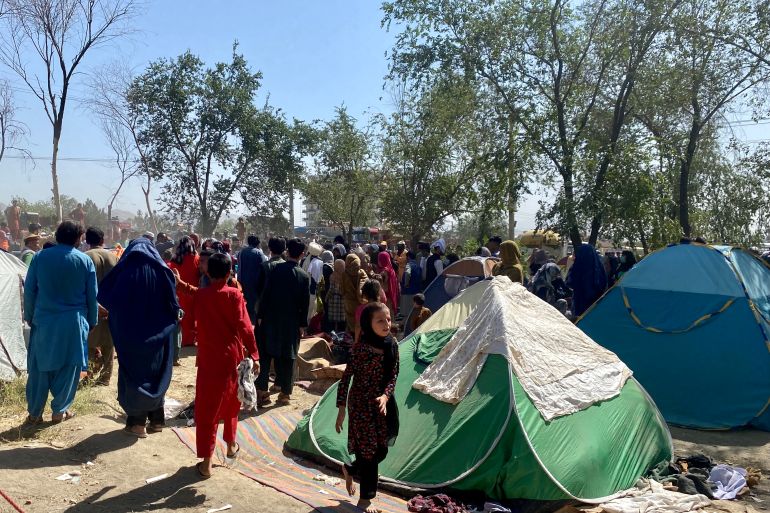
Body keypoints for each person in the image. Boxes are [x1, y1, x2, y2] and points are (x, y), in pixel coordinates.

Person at [97, 238, 180, 437]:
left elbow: (106, 298)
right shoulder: (163, 271)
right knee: (156, 372)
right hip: (159, 334)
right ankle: (157, 421)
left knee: (134, 374)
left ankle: (137, 424)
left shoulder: (124, 271)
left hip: (130, 335)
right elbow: (173, 305)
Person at [191, 253, 259, 479]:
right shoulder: (234, 295)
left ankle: (206, 463)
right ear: (230, 272)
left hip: (208, 359)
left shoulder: (201, 295)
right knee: (232, 402)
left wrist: (179, 284)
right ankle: (230, 445)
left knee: (207, 409)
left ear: (207, 272)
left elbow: (193, 303)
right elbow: (245, 327)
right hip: (231, 358)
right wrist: (254, 354)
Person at [23, 221, 97, 424]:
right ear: (78, 238)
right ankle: (59, 412)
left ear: (57, 236)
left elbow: (29, 290)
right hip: (73, 323)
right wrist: (92, 321)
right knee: (69, 367)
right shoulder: (84, 260)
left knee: (40, 368)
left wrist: (30, 315)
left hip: (44, 321)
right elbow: (92, 296)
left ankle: (35, 414)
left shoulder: (40, 257)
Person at [336, 302, 399, 512]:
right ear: (368, 323)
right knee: (369, 451)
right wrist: (341, 409)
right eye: (380, 320)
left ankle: (350, 468)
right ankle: (365, 500)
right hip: (360, 404)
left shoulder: (392, 345)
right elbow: (346, 378)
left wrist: (385, 396)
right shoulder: (360, 349)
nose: (386, 324)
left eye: (388, 319)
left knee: (381, 449)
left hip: (381, 404)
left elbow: (393, 376)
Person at [255, 238, 310, 406]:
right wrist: (302, 325)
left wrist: (260, 315)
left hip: (271, 319)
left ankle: (262, 391)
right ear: (302, 254)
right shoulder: (303, 276)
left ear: (287, 251)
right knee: (289, 355)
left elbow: (266, 294)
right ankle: (285, 393)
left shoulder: (276, 269)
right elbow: (305, 304)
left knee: (266, 354)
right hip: (291, 322)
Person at [84, 227, 119, 386]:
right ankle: (105, 377)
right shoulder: (113, 257)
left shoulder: (86, 257)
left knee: (90, 342)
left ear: (87, 241)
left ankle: (90, 374)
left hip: (93, 305)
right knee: (109, 343)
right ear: (102, 240)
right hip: (111, 305)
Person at [168, 236, 200, 347]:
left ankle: (180, 339)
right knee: (191, 316)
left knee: (180, 316)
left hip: (179, 292)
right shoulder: (197, 258)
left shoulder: (175, 259)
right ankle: (190, 339)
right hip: (192, 291)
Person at [566, 243, 608, 318]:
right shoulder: (599, 267)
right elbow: (604, 284)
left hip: (579, 302)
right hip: (596, 303)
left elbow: (569, 282)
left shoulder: (578, 265)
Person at [237, 235, 266, 324]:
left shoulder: (241, 252)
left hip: (242, 281)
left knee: (245, 302)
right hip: (255, 282)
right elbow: (264, 267)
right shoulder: (259, 253)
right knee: (254, 304)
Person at [342, 254, 368, 333]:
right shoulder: (361, 272)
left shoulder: (344, 273)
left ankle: (352, 336)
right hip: (360, 302)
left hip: (349, 302)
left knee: (351, 321)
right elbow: (366, 283)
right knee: (361, 321)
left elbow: (341, 289)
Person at [355, 279, 383, 343]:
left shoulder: (360, 309)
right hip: (380, 339)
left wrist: (356, 341)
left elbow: (358, 326)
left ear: (364, 293)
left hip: (366, 340)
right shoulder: (382, 308)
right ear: (378, 292)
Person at [325, 258, 347, 333]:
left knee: (333, 320)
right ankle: (341, 334)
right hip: (342, 300)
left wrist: (326, 298)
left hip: (333, 300)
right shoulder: (344, 276)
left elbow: (331, 289)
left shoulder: (333, 276)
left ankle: (333, 333)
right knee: (341, 319)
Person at [399, 251, 422, 317]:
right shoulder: (418, 266)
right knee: (415, 312)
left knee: (407, 313)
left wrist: (406, 284)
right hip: (417, 291)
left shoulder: (409, 265)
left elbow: (407, 273)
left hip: (408, 292)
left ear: (408, 257)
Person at [377, 251, 399, 318]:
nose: (378, 261)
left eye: (379, 259)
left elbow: (380, 284)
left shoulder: (384, 272)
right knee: (390, 314)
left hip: (385, 296)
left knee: (386, 315)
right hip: (391, 296)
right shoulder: (391, 269)